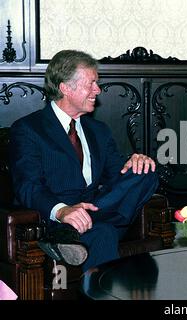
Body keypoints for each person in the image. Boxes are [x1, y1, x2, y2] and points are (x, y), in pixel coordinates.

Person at [9, 50, 159, 272]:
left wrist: (134, 162)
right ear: (65, 88)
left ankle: (71, 234)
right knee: (105, 233)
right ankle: (67, 231)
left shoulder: (99, 130)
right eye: (91, 84)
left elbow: (116, 177)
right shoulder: (29, 129)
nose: (97, 90)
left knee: (147, 171)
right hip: (55, 219)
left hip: (97, 209)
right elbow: (28, 187)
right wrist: (63, 211)